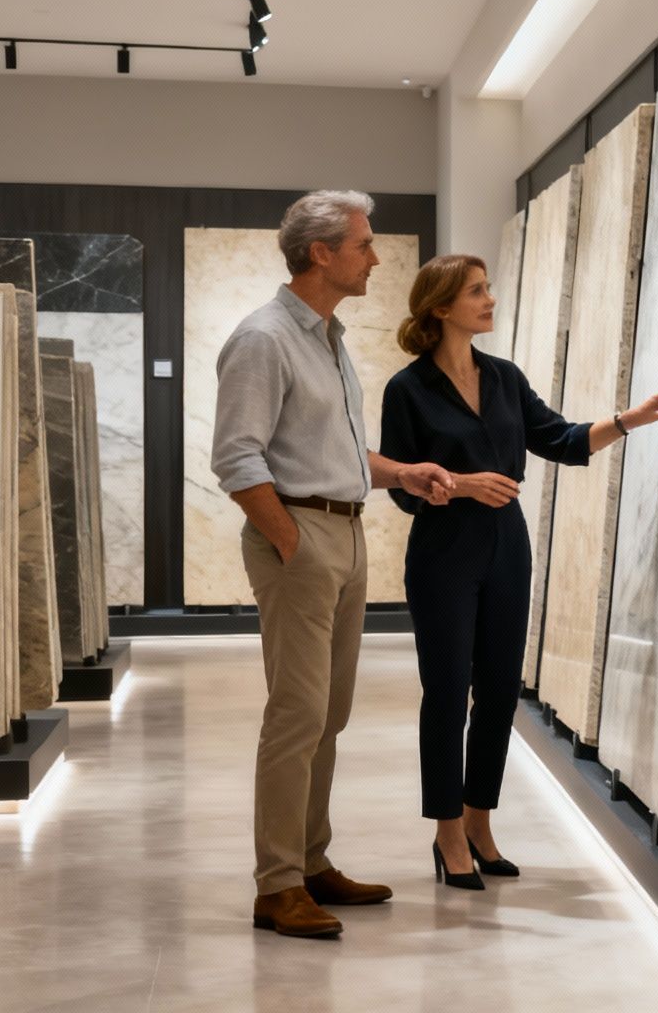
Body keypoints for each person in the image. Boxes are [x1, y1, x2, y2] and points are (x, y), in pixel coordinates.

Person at [380, 254, 658, 888]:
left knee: (497, 693)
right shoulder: (406, 390)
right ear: (441, 308)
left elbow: (562, 439)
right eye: (477, 292)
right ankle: (445, 832)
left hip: (507, 550)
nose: (490, 300)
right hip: (443, 555)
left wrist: (628, 419)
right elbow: (404, 490)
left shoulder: (505, 377)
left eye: (488, 288)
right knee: (445, 695)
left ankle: (479, 820)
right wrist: (458, 485)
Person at [212, 190, 456, 938]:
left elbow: (339, 453)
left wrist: (401, 473)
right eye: (364, 244)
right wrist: (288, 540)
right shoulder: (264, 339)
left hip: (344, 536)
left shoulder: (326, 337)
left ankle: (312, 863)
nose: (376, 258)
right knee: (297, 716)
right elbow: (237, 457)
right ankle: (277, 884)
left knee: (329, 716)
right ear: (322, 253)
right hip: (304, 542)